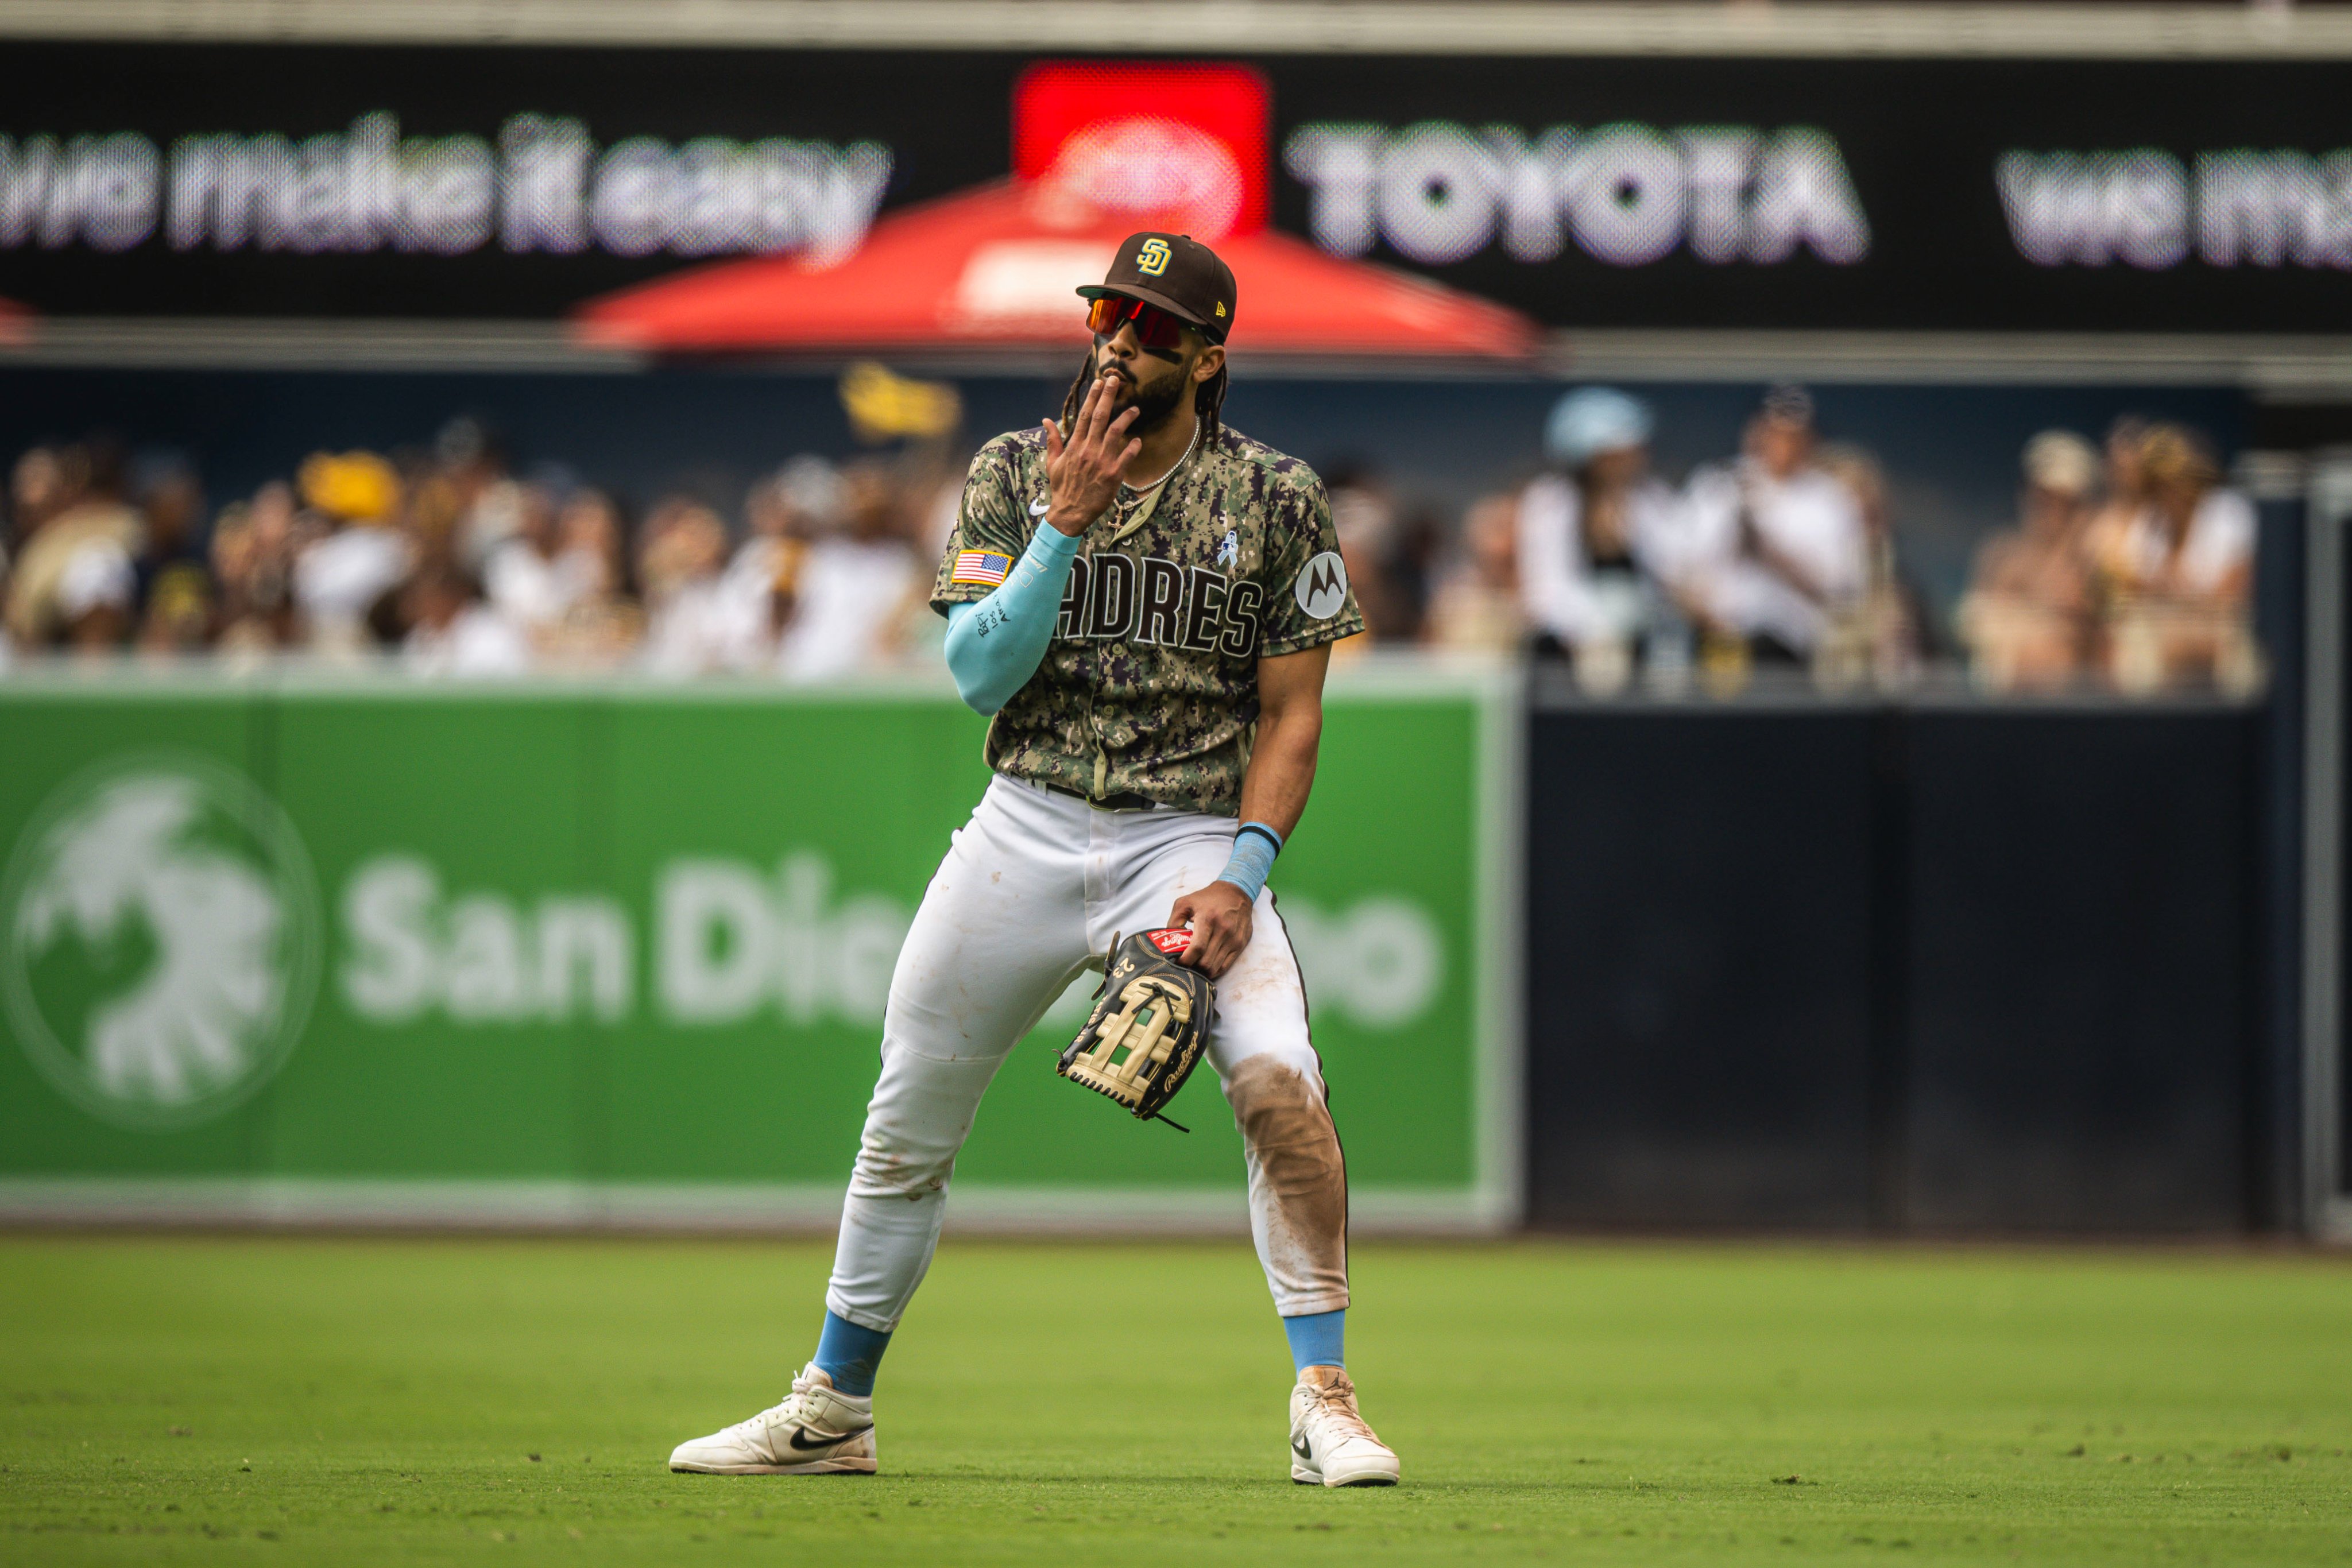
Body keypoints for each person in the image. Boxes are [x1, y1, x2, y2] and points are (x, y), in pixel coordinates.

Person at [667, 232, 1400, 1489]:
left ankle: (1323, 1398)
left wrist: (1243, 872)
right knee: (906, 1115)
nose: (1120, 337)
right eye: (1109, 311)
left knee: (1280, 1088)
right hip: (1028, 817)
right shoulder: (1016, 469)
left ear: (1205, 356)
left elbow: (1292, 718)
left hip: (1186, 837)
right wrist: (1061, 528)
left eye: (1153, 325)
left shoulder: (1273, 497)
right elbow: (974, 677)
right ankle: (834, 1407)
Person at [1515, 386, 1691, 690]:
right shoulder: (1549, 503)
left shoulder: (1656, 502)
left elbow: (1676, 579)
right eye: (1623, 451)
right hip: (1568, 656)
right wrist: (1596, 630)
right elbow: (1544, 594)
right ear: (1593, 456)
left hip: (1648, 656)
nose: (1638, 457)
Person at [1680, 384, 1868, 666]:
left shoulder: (1829, 501)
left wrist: (1768, 552)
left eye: (1791, 435)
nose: (1779, 443)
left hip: (1791, 651)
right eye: (1772, 430)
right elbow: (1680, 568)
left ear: (1808, 439)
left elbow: (1844, 591)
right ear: (1754, 431)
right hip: (1716, 644)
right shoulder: (1717, 484)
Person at [1957, 430, 2100, 691]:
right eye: (2041, 496)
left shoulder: (2095, 560)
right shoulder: (2001, 554)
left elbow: (2083, 632)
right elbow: (1973, 627)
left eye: (2064, 501)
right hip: (2003, 709)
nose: (2050, 510)